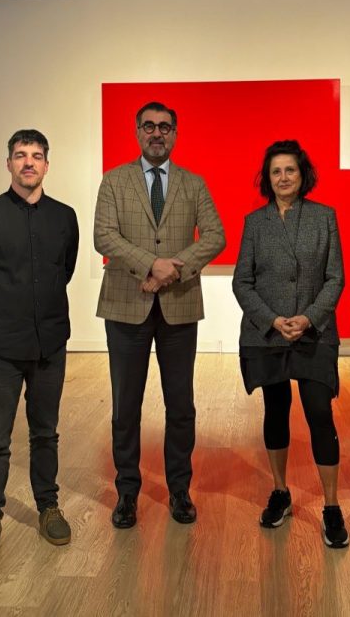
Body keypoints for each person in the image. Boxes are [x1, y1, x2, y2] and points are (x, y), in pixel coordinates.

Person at [94, 101, 225, 529]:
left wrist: (173, 269)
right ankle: (127, 493)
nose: (156, 133)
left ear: (175, 134)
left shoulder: (194, 183)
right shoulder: (114, 182)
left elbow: (216, 236)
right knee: (125, 407)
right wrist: (152, 263)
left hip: (178, 307)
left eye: (164, 127)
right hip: (126, 305)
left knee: (181, 405)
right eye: (149, 126)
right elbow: (103, 236)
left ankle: (180, 490)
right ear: (136, 131)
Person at [0, 129, 79, 557]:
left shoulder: (65, 217)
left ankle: (48, 507)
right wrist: (3, 311)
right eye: (20, 155)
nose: (29, 162)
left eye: (37, 155)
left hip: (50, 344)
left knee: (46, 433)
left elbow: (65, 270)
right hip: (1, 347)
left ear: (47, 164)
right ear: (8, 163)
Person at [232, 140, 348, 548]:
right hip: (268, 335)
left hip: (313, 333)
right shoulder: (254, 221)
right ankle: (281, 491)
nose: (283, 177)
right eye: (276, 171)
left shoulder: (324, 217)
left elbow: (335, 277)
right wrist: (271, 320)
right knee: (275, 409)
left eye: (290, 171)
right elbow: (241, 281)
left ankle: (331, 506)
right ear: (267, 178)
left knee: (319, 412)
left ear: (303, 175)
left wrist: (309, 317)